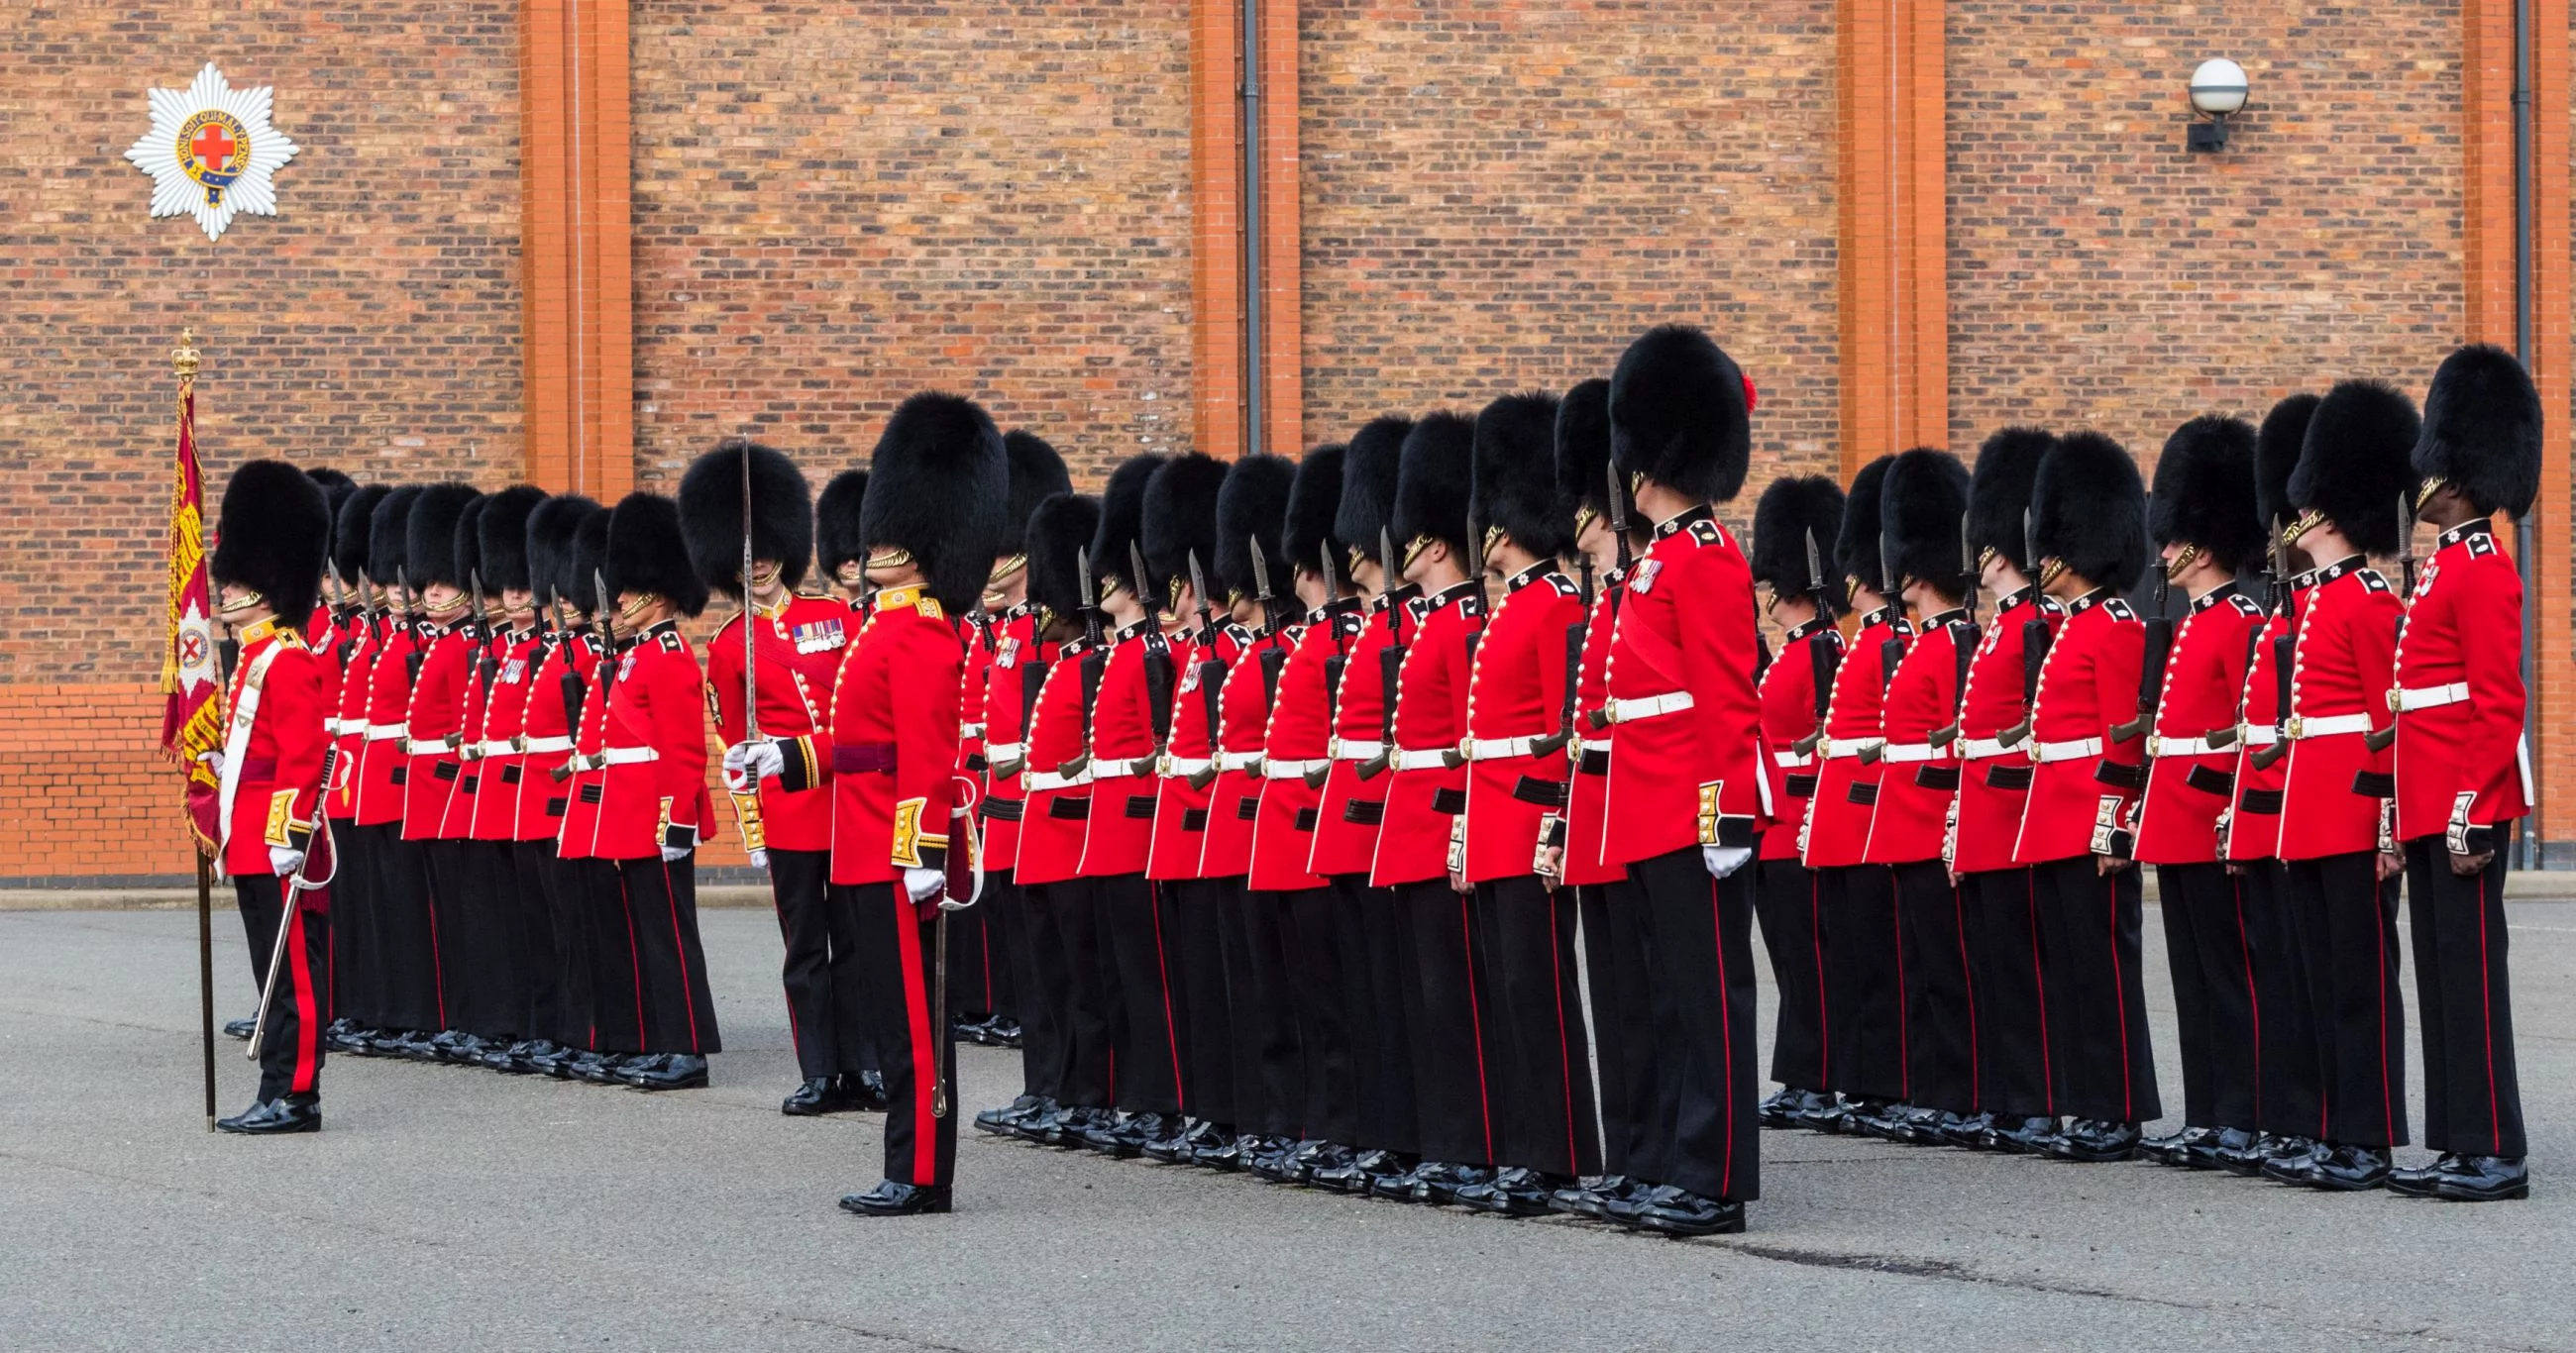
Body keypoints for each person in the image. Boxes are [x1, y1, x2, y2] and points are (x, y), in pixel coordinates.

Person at [812, 391, 1010, 1217]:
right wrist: (783, 756)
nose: (875, 545)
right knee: (890, 1021)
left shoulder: (926, 634)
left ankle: (922, 1173)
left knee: (914, 1028)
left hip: (896, 855)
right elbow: (860, 746)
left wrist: (923, 855)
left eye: (893, 534)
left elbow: (926, 763)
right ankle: (907, 1163)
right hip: (859, 843)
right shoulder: (880, 629)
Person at [1592, 324, 1764, 1236]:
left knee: (1709, 1000)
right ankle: (1664, 1157)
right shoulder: (1654, 560)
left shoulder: (1703, 557)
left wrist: (1728, 815)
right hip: (1645, 804)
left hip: (1692, 805)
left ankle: (1715, 1177)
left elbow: (1728, 698)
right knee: (1665, 1000)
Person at [690, 440, 879, 1116]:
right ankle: (819, 1069)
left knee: (857, 942)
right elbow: (733, 746)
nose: (758, 560)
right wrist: (754, 829)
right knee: (806, 949)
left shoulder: (837, 617)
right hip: (790, 809)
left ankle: (864, 1064)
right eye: (744, 551)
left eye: (767, 546)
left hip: (850, 800)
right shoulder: (726, 646)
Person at [2390, 344, 2537, 1202]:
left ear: (2466, 476)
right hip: (2427, 797)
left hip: (2463, 799)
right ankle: (2456, 1140)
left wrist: (2472, 810)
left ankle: (2496, 1151)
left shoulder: (2484, 570)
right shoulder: (2444, 563)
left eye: (2439, 469)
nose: (2425, 483)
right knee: (2443, 971)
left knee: (2472, 971)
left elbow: (2497, 699)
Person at [2267, 378, 2419, 1192]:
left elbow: (2384, 723)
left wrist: (2388, 826)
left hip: (2354, 815)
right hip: (2306, 812)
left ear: (2328, 515)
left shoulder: (2367, 602)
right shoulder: (2317, 603)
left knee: (2360, 983)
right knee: (2318, 979)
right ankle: (2330, 1123)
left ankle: (2370, 1134)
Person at [1453, 392, 1598, 1216]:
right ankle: (1521, 1144)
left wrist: (1553, 828)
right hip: (1491, 822)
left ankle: (1560, 1151)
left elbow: (1559, 735)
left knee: (1539, 994)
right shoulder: (1511, 607)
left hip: (1528, 823)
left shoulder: (1554, 607)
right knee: (1507, 993)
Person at [2015, 431, 2158, 1164]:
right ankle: (2085, 1099)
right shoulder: (2070, 629)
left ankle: (2119, 1108)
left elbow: (2123, 740)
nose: (2042, 560)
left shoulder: (2113, 627)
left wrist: (2115, 823)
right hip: (2051, 817)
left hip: (2089, 819)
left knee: (2103, 971)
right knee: (2070, 971)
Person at [2131, 416, 2268, 1168]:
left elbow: (2247, 731)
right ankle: (2209, 1111)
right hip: (2177, 819)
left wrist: (2231, 816)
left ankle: (2242, 1114)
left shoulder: (2241, 619)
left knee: (2228, 972)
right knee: (2190, 976)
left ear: (2204, 541)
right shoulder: (2192, 621)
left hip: (2213, 819)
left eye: (2175, 537)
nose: (2163, 551)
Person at [1371, 415, 1493, 1203]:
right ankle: (1443, 1139)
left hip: (1447, 821)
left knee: (1460, 998)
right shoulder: (1424, 626)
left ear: (1437, 543)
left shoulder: (1467, 622)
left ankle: (1472, 1141)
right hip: (1409, 822)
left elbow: (1472, 738)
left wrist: (1460, 827)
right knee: (1425, 999)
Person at [1304, 418, 1423, 1193]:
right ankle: (1378, 1126)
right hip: (1358, 820)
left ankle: (1404, 1129)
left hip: (1400, 818)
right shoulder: (1375, 624)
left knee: (1400, 992)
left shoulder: (1409, 622)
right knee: (1363, 991)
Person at [1549, 384, 1655, 1217]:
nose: (1580, 521)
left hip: (1650, 806)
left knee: (1655, 995)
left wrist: (1715, 812)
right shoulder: (1610, 597)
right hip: (1604, 807)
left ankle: (1661, 1154)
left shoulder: (1670, 573)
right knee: (1618, 995)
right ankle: (1633, 1152)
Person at [1248, 445, 1367, 1182]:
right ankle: (1301, 1119)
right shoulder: (1306, 641)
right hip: (1285, 828)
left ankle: (1335, 1122)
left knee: (1331, 1001)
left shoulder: (1345, 638)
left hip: (1321, 828)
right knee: (1291, 996)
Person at [207, 461, 336, 1134]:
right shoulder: (256, 658)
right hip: (251, 839)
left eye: (235, 583)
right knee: (270, 976)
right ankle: (273, 1086)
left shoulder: (288, 658)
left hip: (277, 841)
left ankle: (298, 1094)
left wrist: (287, 836)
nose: (225, 591)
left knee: (295, 979)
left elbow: (303, 756)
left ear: (267, 587)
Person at [2216, 397, 2327, 1176]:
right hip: (2278, 815)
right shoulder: (2280, 620)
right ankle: (2289, 1117)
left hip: (2328, 816)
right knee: (2287, 975)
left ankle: (2331, 1123)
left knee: (2318, 979)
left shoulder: (2346, 606)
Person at [1135, 451, 1254, 1169]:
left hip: (1226, 829)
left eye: (1187, 587)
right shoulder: (1192, 651)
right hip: (1188, 832)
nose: (1180, 600)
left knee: (1230, 984)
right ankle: (1207, 1106)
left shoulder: (1234, 648)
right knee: (1197, 986)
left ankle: (1235, 1109)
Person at [1075, 454, 1193, 1157]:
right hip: (1109, 821)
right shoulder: (1120, 650)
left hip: (1141, 821)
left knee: (1153, 978)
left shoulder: (1154, 650)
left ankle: (1166, 1097)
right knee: (1124, 974)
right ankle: (1141, 1093)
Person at [1948, 428, 2063, 1153]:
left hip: (2014, 809)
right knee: (1991, 968)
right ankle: (2007, 1093)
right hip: (1986, 811)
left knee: (2024, 969)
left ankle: (2037, 1096)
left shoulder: (2037, 622)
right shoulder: (1998, 628)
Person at [1864, 448, 1982, 1144]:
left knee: (1948, 970)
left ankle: (1958, 1090)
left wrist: (1951, 827)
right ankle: (1933, 1085)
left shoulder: (1955, 643)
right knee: (1919, 970)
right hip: (1901, 823)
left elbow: (1956, 749)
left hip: (1931, 823)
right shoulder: (1919, 644)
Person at [596, 491, 723, 1092]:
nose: (620, 598)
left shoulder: (670, 657)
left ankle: (688, 1047)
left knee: (671, 934)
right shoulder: (637, 652)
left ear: (660, 591)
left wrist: (675, 819)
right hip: (630, 810)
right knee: (645, 932)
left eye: (631, 588)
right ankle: (659, 1037)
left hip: (656, 813)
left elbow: (683, 751)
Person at [1800, 454, 1909, 1136]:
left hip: (1873, 814)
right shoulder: (1865, 640)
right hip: (1843, 815)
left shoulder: (1893, 639)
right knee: (1850, 960)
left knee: (1879, 962)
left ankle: (1884, 1079)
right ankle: (1861, 1076)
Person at [969, 431, 1072, 1135]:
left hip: (1036, 807)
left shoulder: (1046, 628)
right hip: (1003, 817)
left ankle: (1060, 1085)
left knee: (1052, 968)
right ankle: (1040, 1084)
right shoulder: (1007, 626)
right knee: (1025, 969)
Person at [1205, 454, 1306, 1180]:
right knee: (1257, 989)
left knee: (1291, 989)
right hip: (1254, 821)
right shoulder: (1256, 650)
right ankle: (1271, 1116)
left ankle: (1292, 1117)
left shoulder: (1290, 646)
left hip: (1297, 824)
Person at [1006, 490, 1114, 1147]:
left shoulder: (1094, 665)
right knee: (1053, 978)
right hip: (1042, 838)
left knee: (1086, 981)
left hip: (1075, 838)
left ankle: (1092, 1094)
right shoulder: (1062, 666)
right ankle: (1065, 1088)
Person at [1747, 472, 1845, 1132]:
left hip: (1797, 822)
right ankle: (1802, 1076)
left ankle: (1818, 1080)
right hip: (1771, 821)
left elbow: (1825, 741)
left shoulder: (1823, 648)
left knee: (1810, 959)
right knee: (1790, 959)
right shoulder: (1791, 651)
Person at [516, 493, 606, 1078]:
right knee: (549, 924)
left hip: (581, 801)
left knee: (578, 924)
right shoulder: (553, 652)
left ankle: (586, 1028)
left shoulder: (594, 652)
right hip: (542, 797)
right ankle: (563, 1026)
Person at [468, 485, 557, 1072]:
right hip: (506, 797)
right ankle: (525, 1020)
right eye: (508, 582)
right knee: (516, 922)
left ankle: (550, 1024)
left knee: (549, 923)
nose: (515, 592)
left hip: (548, 796)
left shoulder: (559, 650)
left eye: (524, 581)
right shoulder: (504, 647)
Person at [321, 482, 389, 1054]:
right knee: (355, 904)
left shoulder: (386, 635)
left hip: (395, 785)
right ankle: (357, 1005)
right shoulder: (352, 633)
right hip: (349, 780)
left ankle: (386, 1009)